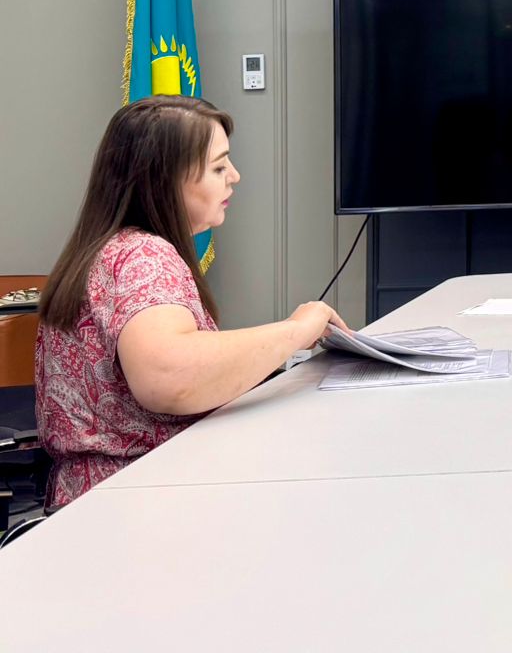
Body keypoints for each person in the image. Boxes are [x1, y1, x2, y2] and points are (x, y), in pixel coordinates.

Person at [34, 96, 348, 511]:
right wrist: (296, 331)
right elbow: (169, 377)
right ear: (165, 180)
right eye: (218, 167)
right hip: (138, 508)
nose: (234, 176)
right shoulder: (143, 255)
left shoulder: (105, 249)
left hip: (98, 502)